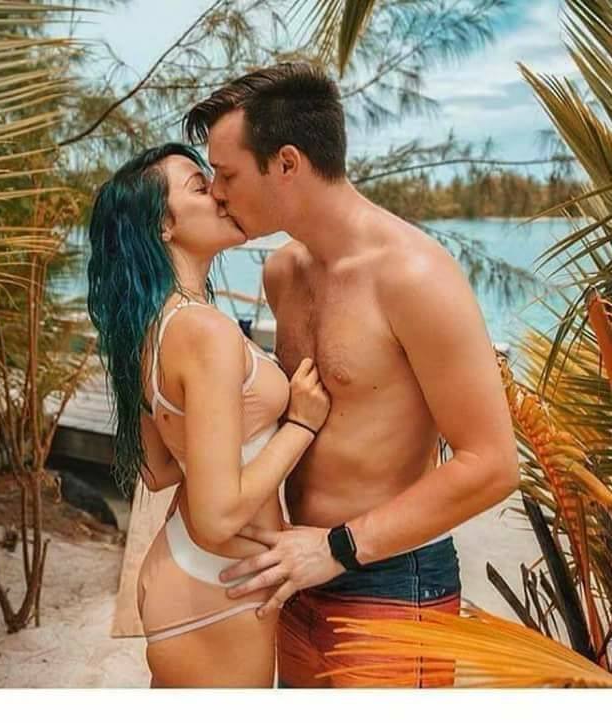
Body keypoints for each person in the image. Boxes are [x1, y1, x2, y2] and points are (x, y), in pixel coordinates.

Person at [183, 63, 520, 687]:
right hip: (295, 571)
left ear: (287, 163)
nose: (218, 192)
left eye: (227, 174)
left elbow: (493, 464)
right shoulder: (282, 273)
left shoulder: (414, 276)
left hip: (391, 583)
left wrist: (336, 548)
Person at [86, 143, 330, 687]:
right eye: (200, 187)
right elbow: (218, 517)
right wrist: (300, 425)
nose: (220, 193)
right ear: (164, 226)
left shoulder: (154, 325)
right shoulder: (205, 331)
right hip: (219, 592)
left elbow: (159, 470)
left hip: (191, 570)